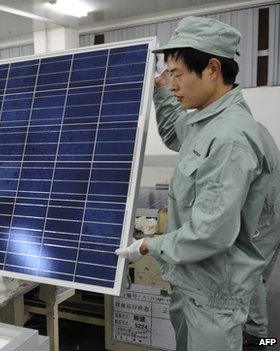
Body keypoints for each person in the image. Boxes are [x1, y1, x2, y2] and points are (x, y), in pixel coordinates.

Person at [115, 16, 273, 350]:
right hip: (192, 281)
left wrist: (148, 246)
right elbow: (174, 132)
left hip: (214, 292)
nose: (171, 84)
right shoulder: (205, 122)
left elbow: (210, 232)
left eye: (177, 74)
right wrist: (160, 90)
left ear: (213, 69)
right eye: (168, 75)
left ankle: (258, 337)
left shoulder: (229, 137)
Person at [243, 123, 280, 346]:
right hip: (274, 206)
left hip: (265, 210)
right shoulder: (256, 127)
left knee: (249, 270)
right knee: (262, 270)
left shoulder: (235, 130)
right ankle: (255, 323)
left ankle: (256, 335)